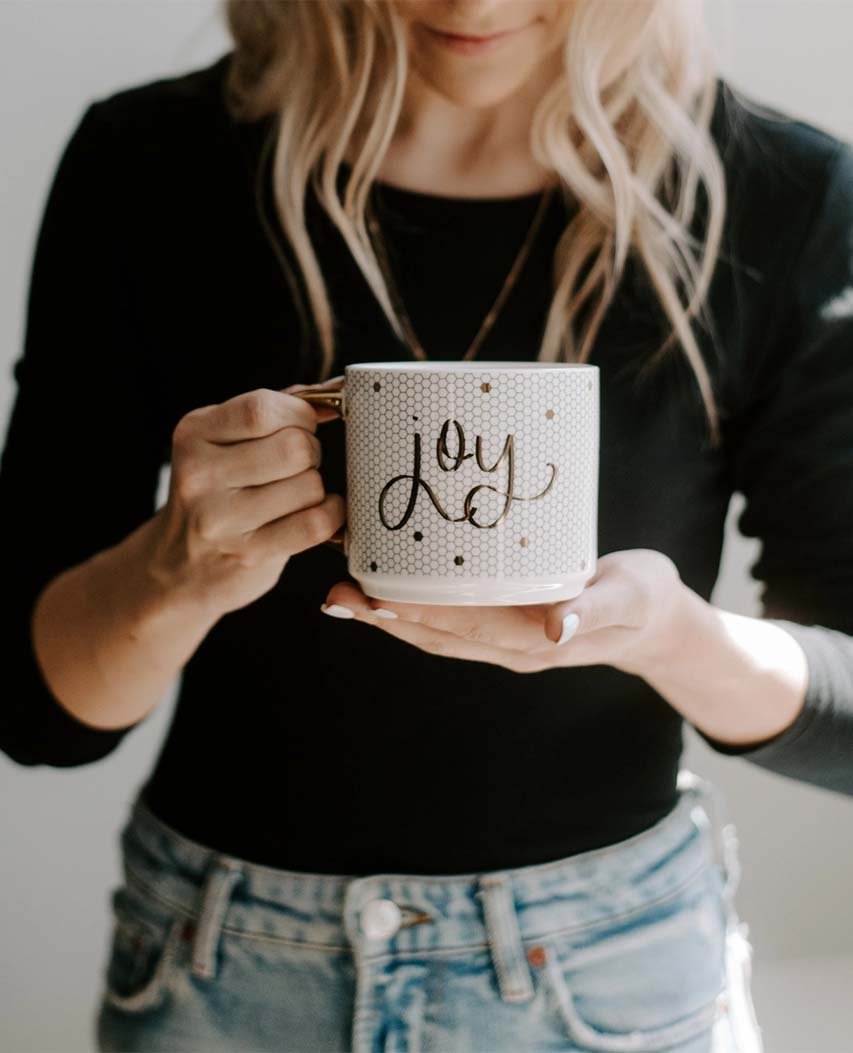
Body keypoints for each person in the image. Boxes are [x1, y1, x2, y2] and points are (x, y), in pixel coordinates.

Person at [2, 0, 852, 1049]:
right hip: (218, 964)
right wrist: (171, 572)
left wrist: (674, 637)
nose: (473, 4)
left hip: (608, 974)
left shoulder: (779, 197)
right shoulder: (150, 165)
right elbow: (34, 710)